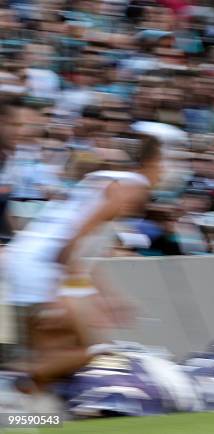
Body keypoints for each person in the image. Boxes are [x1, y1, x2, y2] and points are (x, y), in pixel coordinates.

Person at [2, 133, 163, 392]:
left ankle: (26, 414)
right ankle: (10, 384)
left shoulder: (102, 183)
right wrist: (54, 299)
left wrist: (109, 298)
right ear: (152, 163)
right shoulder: (123, 193)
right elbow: (68, 247)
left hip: (28, 263)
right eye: (163, 163)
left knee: (55, 359)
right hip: (39, 269)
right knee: (90, 351)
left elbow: (82, 255)